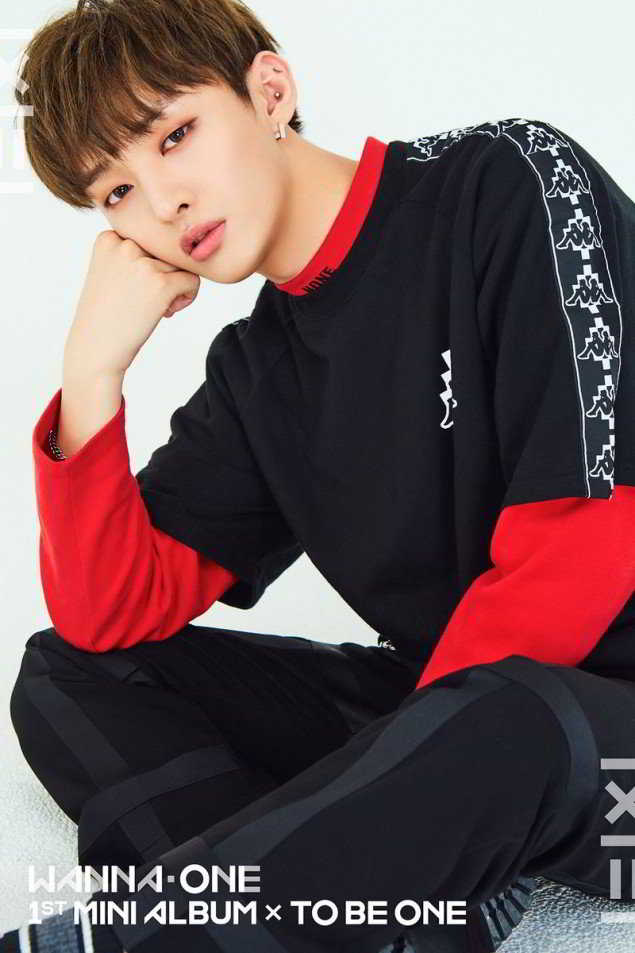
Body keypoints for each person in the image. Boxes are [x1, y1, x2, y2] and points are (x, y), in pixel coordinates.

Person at [4, 0, 635, 951]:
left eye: (175, 136)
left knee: (508, 715)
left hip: (600, 768)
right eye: (117, 192)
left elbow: (584, 541)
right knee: (67, 673)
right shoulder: (260, 371)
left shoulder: (509, 181)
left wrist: (397, 785)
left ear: (269, 91)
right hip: (451, 725)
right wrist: (92, 371)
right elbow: (111, 614)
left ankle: (175, 928)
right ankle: (387, 914)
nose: (163, 203)